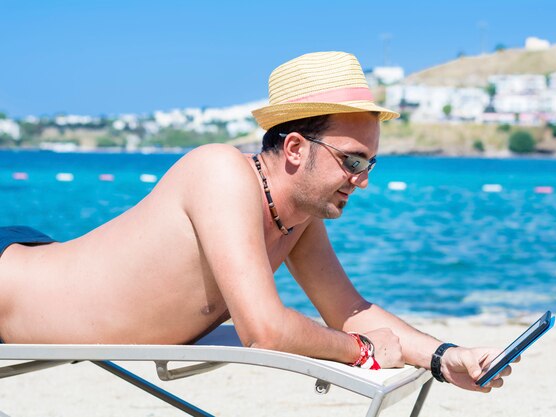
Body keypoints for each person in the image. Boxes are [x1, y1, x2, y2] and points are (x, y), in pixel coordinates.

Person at [0, 51, 513, 392]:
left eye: (370, 164)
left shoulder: (296, 219)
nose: (362, 180)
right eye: (353, 161)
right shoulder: (219, 171)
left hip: (40, 262)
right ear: (294, 148)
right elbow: (264, 329)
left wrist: (447, 358)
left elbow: (350, 310)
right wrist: (363, 353)